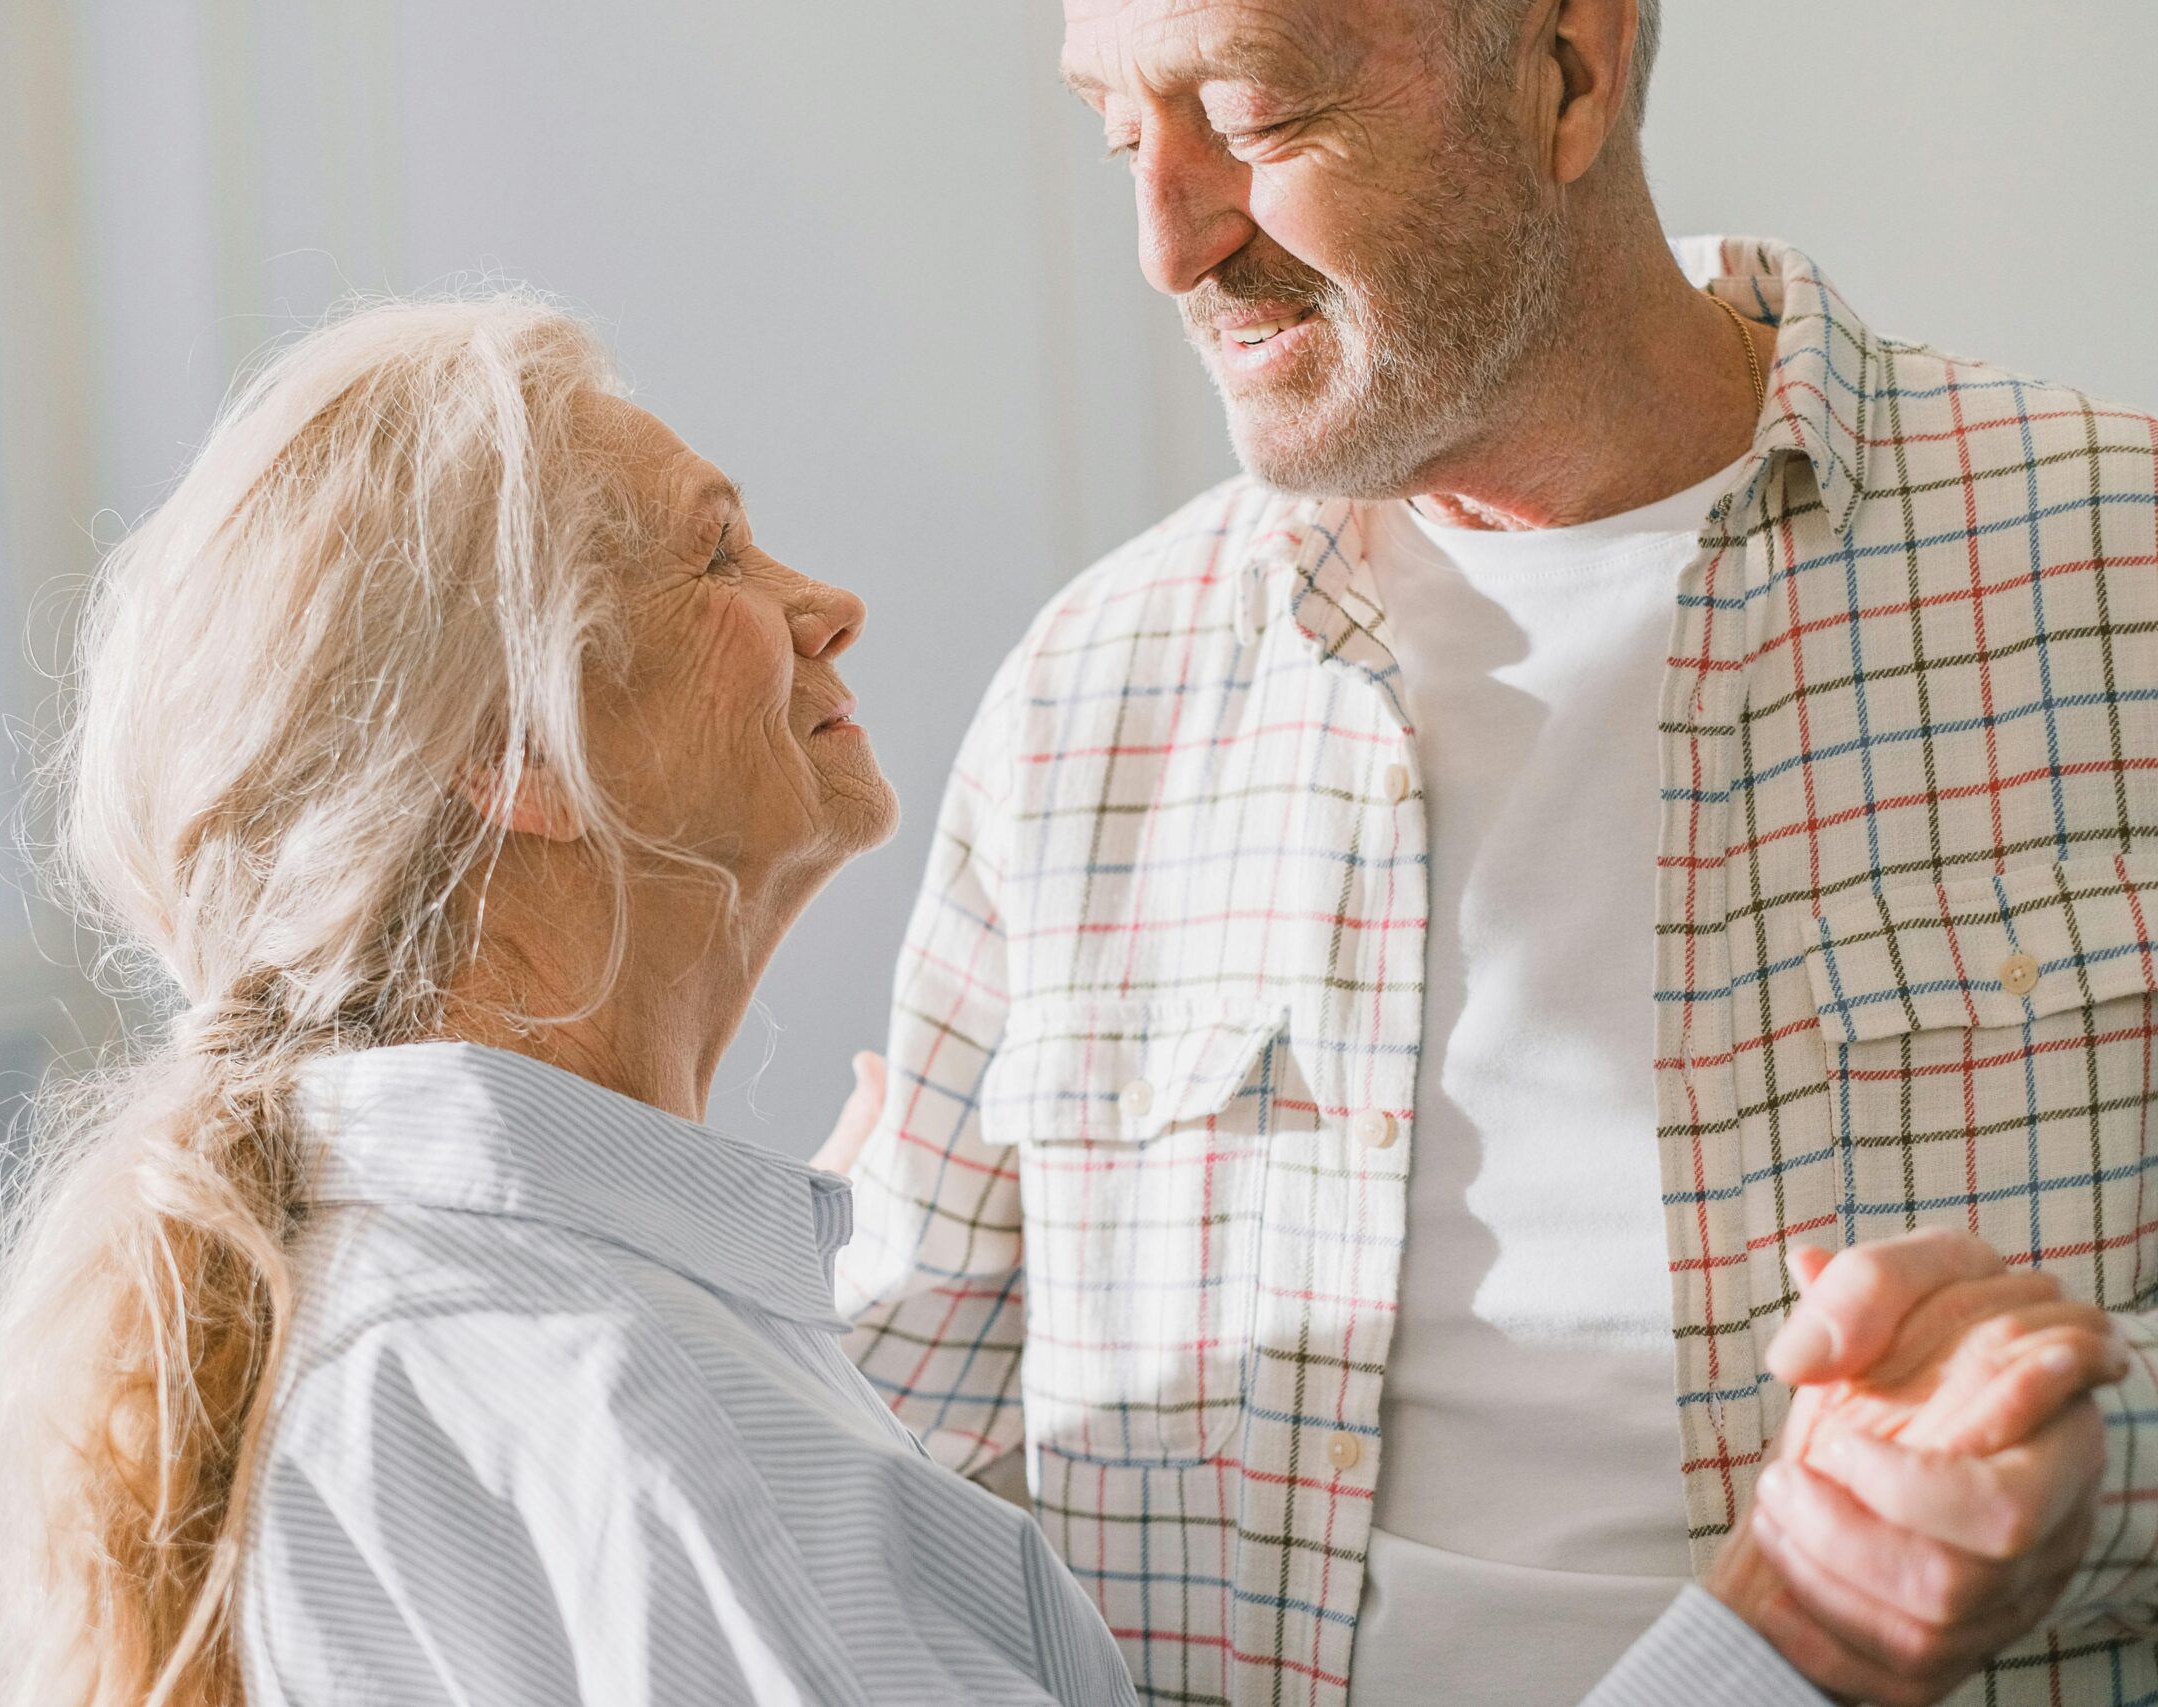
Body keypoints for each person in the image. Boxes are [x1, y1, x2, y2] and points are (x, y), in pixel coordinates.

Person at [827, 2, 2158, 1704]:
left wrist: (2084, 1469)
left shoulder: (2113, 577)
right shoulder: (1088, 699)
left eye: (1251, 115)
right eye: (1116, 132)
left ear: (1568, 71)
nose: (1167, 243)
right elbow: (897, 1477)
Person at [0, 300, 1143, 1707]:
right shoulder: (653, 1414)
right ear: (520, 756)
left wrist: (763, 1311)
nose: (828, 606)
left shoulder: (382, 1305)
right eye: (719, 553)